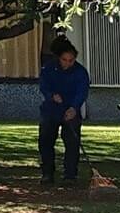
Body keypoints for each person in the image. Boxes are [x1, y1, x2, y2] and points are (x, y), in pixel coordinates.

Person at [37, 42, 91, 185]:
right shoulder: (49, 68)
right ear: (58, 58)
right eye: (64, 60)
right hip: (51, 110)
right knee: (46, 140)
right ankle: (47, 173)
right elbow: (43, 85)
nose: (67, 63)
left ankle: (70, 175)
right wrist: (51, 95)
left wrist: (74, 108)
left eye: (71, 60)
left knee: (72, 142)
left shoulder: (80, 72)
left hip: (70, 111)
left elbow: (82, 92)